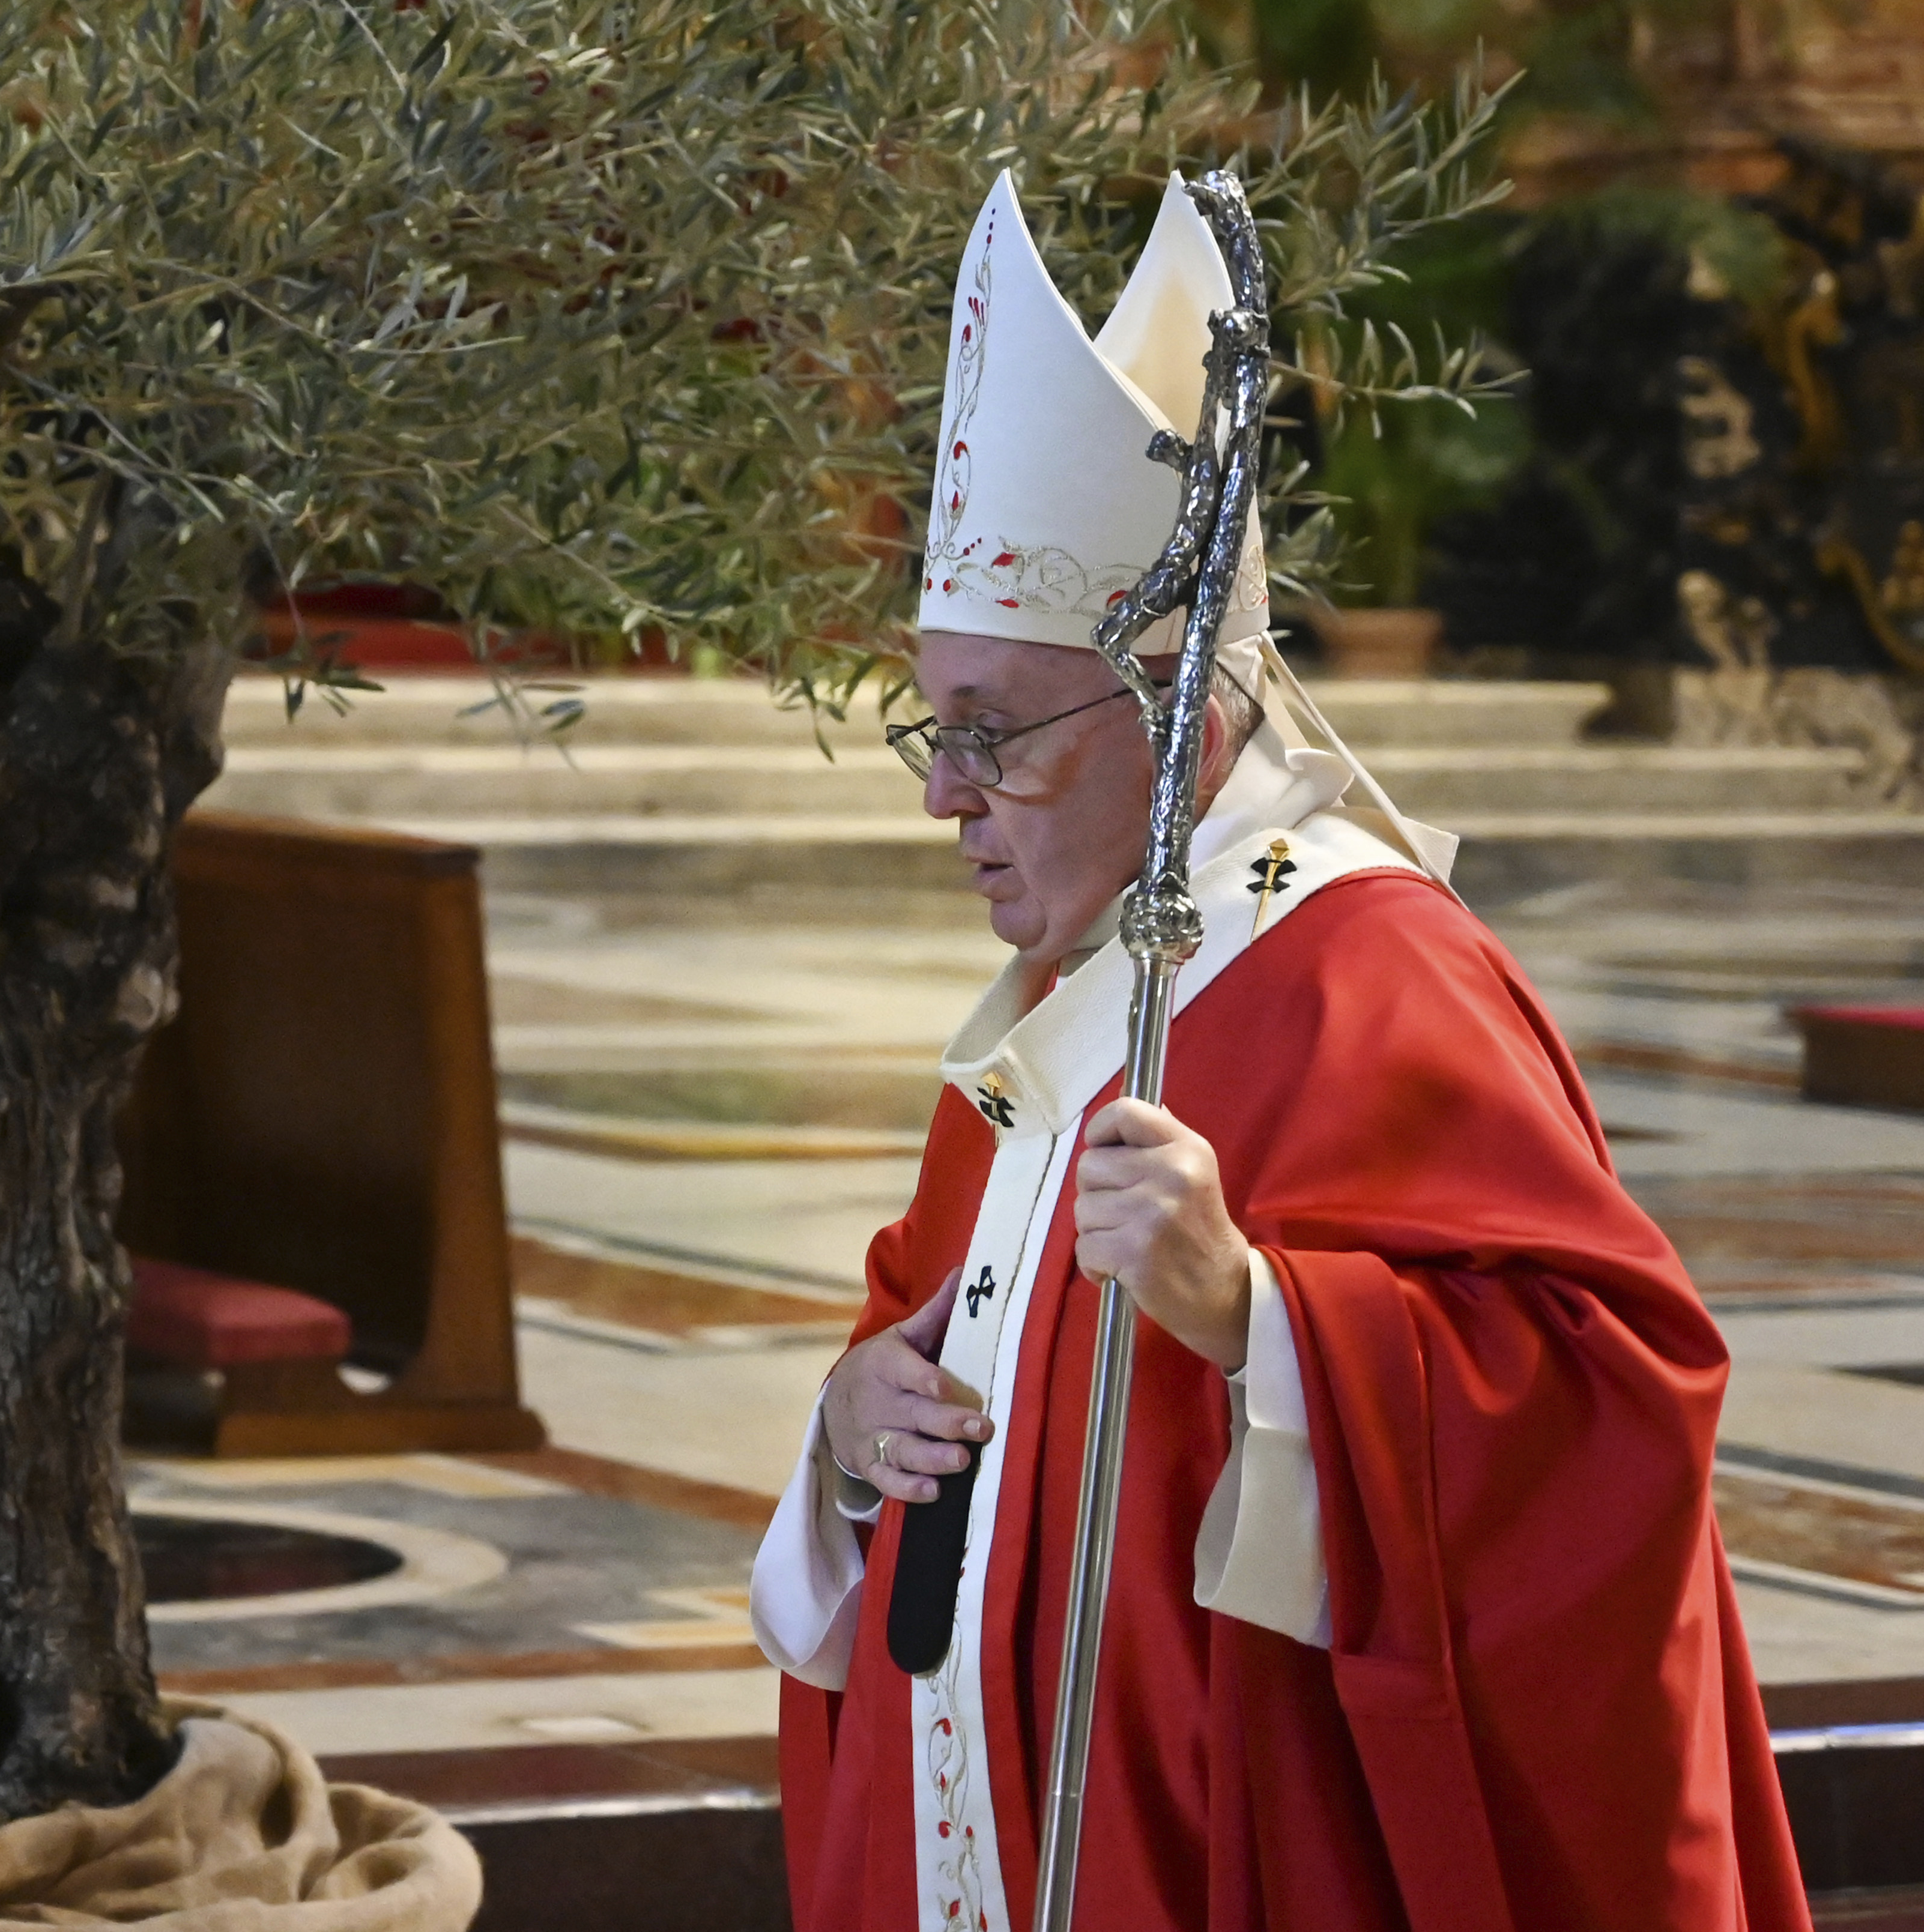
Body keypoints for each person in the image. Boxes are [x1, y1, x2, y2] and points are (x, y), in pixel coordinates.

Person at [750, 173, 1812, 1931]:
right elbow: (929, 1339)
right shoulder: (1061, 993)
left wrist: (1260, 1314)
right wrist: (851, 1435)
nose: (944, 795)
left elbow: (1612, 1409)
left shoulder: (1369, 969)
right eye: (931, 729)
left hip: (1236, 1852)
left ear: (1173, 715)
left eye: (992, 735)